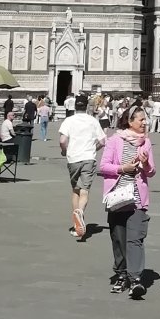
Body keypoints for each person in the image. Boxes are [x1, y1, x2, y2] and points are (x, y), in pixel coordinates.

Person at [99, 103, 155, 299]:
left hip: (138, 199)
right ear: (130, 122)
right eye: (141, 119)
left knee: (135, 239)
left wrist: (145, 163)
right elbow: (103, 166)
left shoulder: (146, 142)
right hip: (117, 196)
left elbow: (151, 171)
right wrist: (123, 168)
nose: (144, 123)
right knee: (118, 238)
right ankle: (121, 274)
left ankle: (135, 279)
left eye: (145, 119)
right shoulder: (114, 140)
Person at [59, 93, 106, 239]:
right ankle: (80, 212)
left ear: (75, 106)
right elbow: (103, 141)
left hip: (73, 158)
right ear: (87, 107)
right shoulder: (93, 121)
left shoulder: (69, 120)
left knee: (75, 190)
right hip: (88, 158)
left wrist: (64, 150)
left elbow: (62, 140)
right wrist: (94, 149)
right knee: (84, 190)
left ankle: (76, 223)